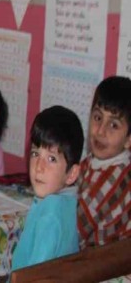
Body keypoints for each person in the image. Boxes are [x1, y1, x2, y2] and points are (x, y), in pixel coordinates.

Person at [11, 106, 83, 271]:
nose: (38, 167)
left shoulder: (49, 218)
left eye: (51, 159)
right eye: (35, 154)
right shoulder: (67, 202)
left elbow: (34, 275)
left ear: (71, 174)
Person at [77, 76, 131, 248]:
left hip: (100, 262)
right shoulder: (95, 160)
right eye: (98, 117)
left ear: (129, 139)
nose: (100, 131)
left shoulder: (114, 178)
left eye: (113, 125)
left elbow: (73, 230)